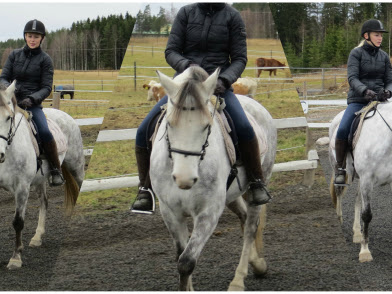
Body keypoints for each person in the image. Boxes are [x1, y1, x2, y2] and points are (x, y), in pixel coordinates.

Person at [131, 3, 271, 213]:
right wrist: (187, 67)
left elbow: (240, 58)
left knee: (244, 126)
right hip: (185, 84)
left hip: (217, 85)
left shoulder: (233, 17)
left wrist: (224, 79)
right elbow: (171, 51)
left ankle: (256, 182)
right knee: (144, 130)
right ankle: (145, 189)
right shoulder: (186, 13)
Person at [0, 19, 64, 186]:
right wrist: (8, 89)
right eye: (29, 36)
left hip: (31, 105)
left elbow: (46, 87)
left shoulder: (45, 60)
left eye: (36, 36)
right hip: (11, 103)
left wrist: (33, 99)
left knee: (45, 132)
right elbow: (4, 77)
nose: (32, 39)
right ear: (25, 37)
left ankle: (56, 170)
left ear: (41, 38)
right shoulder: (14, 55)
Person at [334, 19, 392, 184]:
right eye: (376, 35)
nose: (380, 38)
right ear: (366, 36)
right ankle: (340, 168)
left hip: (381, 101)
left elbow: (390, 79)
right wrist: (365, 91)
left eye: (381, 35)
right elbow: (352, 77)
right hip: (359, 100)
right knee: (343, 129)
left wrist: (388, 91)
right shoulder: (356, 53)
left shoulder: (384, 56)